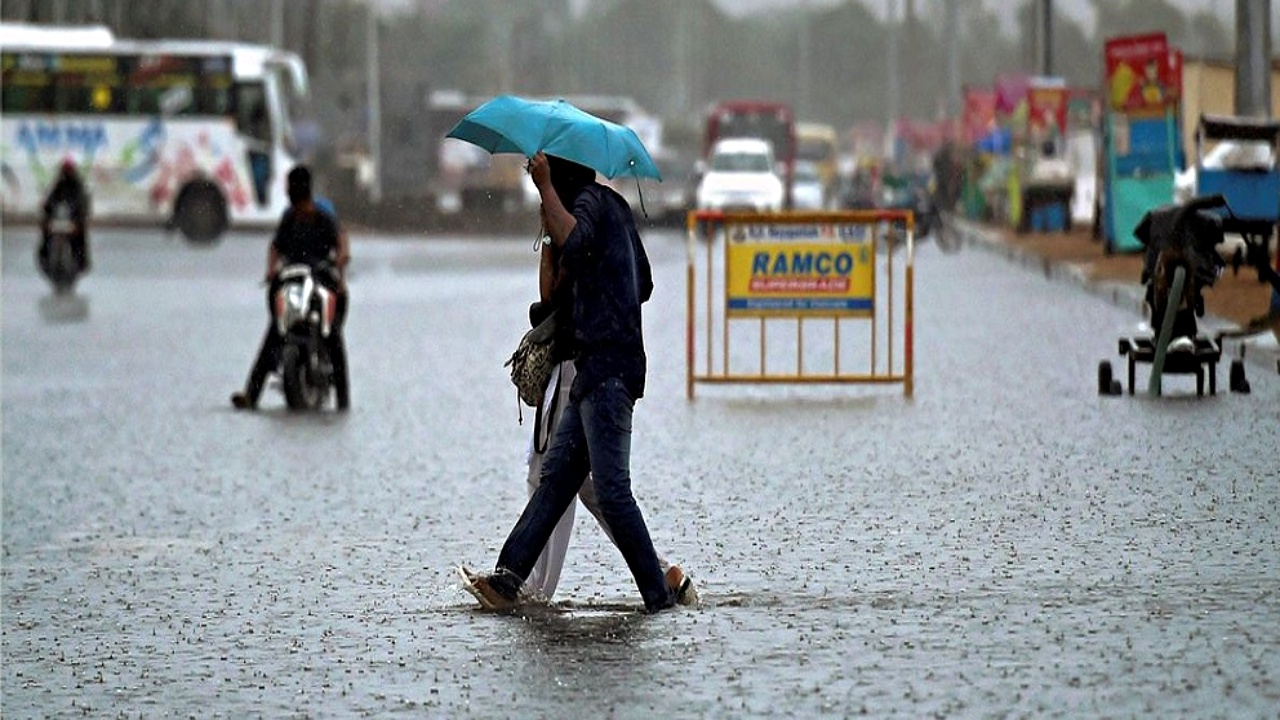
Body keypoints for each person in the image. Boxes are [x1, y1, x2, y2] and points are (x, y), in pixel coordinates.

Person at [464, 152, 688, 613]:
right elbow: (635, 283)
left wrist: (546, 190)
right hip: (594, 369)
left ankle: (659, 595)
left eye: (547, 178)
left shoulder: (589, 204)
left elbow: (578, 239)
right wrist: (561, 239)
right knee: (555, 481)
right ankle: (507, 582)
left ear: (561, 176)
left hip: (609, 370)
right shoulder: (612, 209)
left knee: (611, 491)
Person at [522, 206, 694, 604]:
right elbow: (641, 285)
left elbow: (551, 294)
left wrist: (548, 234)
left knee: (549, 474)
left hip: (578, 365)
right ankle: (661, 571)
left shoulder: (576, 219)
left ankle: (530, 586)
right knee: (589, 486)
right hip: (595, 365)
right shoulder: (605, 217)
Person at [231, 165, 350, 410]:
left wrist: (339, 265)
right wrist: (271, 269)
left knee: (335, 336)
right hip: (291, 279)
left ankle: (343, 400)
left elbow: (341, 242)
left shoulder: (322, 217)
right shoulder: (289, 218)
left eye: (290, 186)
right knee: (275, 331)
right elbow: (275, 246)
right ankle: (251, 395)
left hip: (319, 278)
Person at [40, 159, 92, 274]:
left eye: (68, 171)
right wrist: (47, 212)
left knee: (80, 235)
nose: (66, 173)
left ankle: (81, 261)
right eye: (65, 171)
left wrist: (79, 219)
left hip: (74, 219)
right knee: (45, 232)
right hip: (59, 219)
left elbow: (83, 204)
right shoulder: (59, 185)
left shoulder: (79, 186)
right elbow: (50, 201)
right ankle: (44, 257)